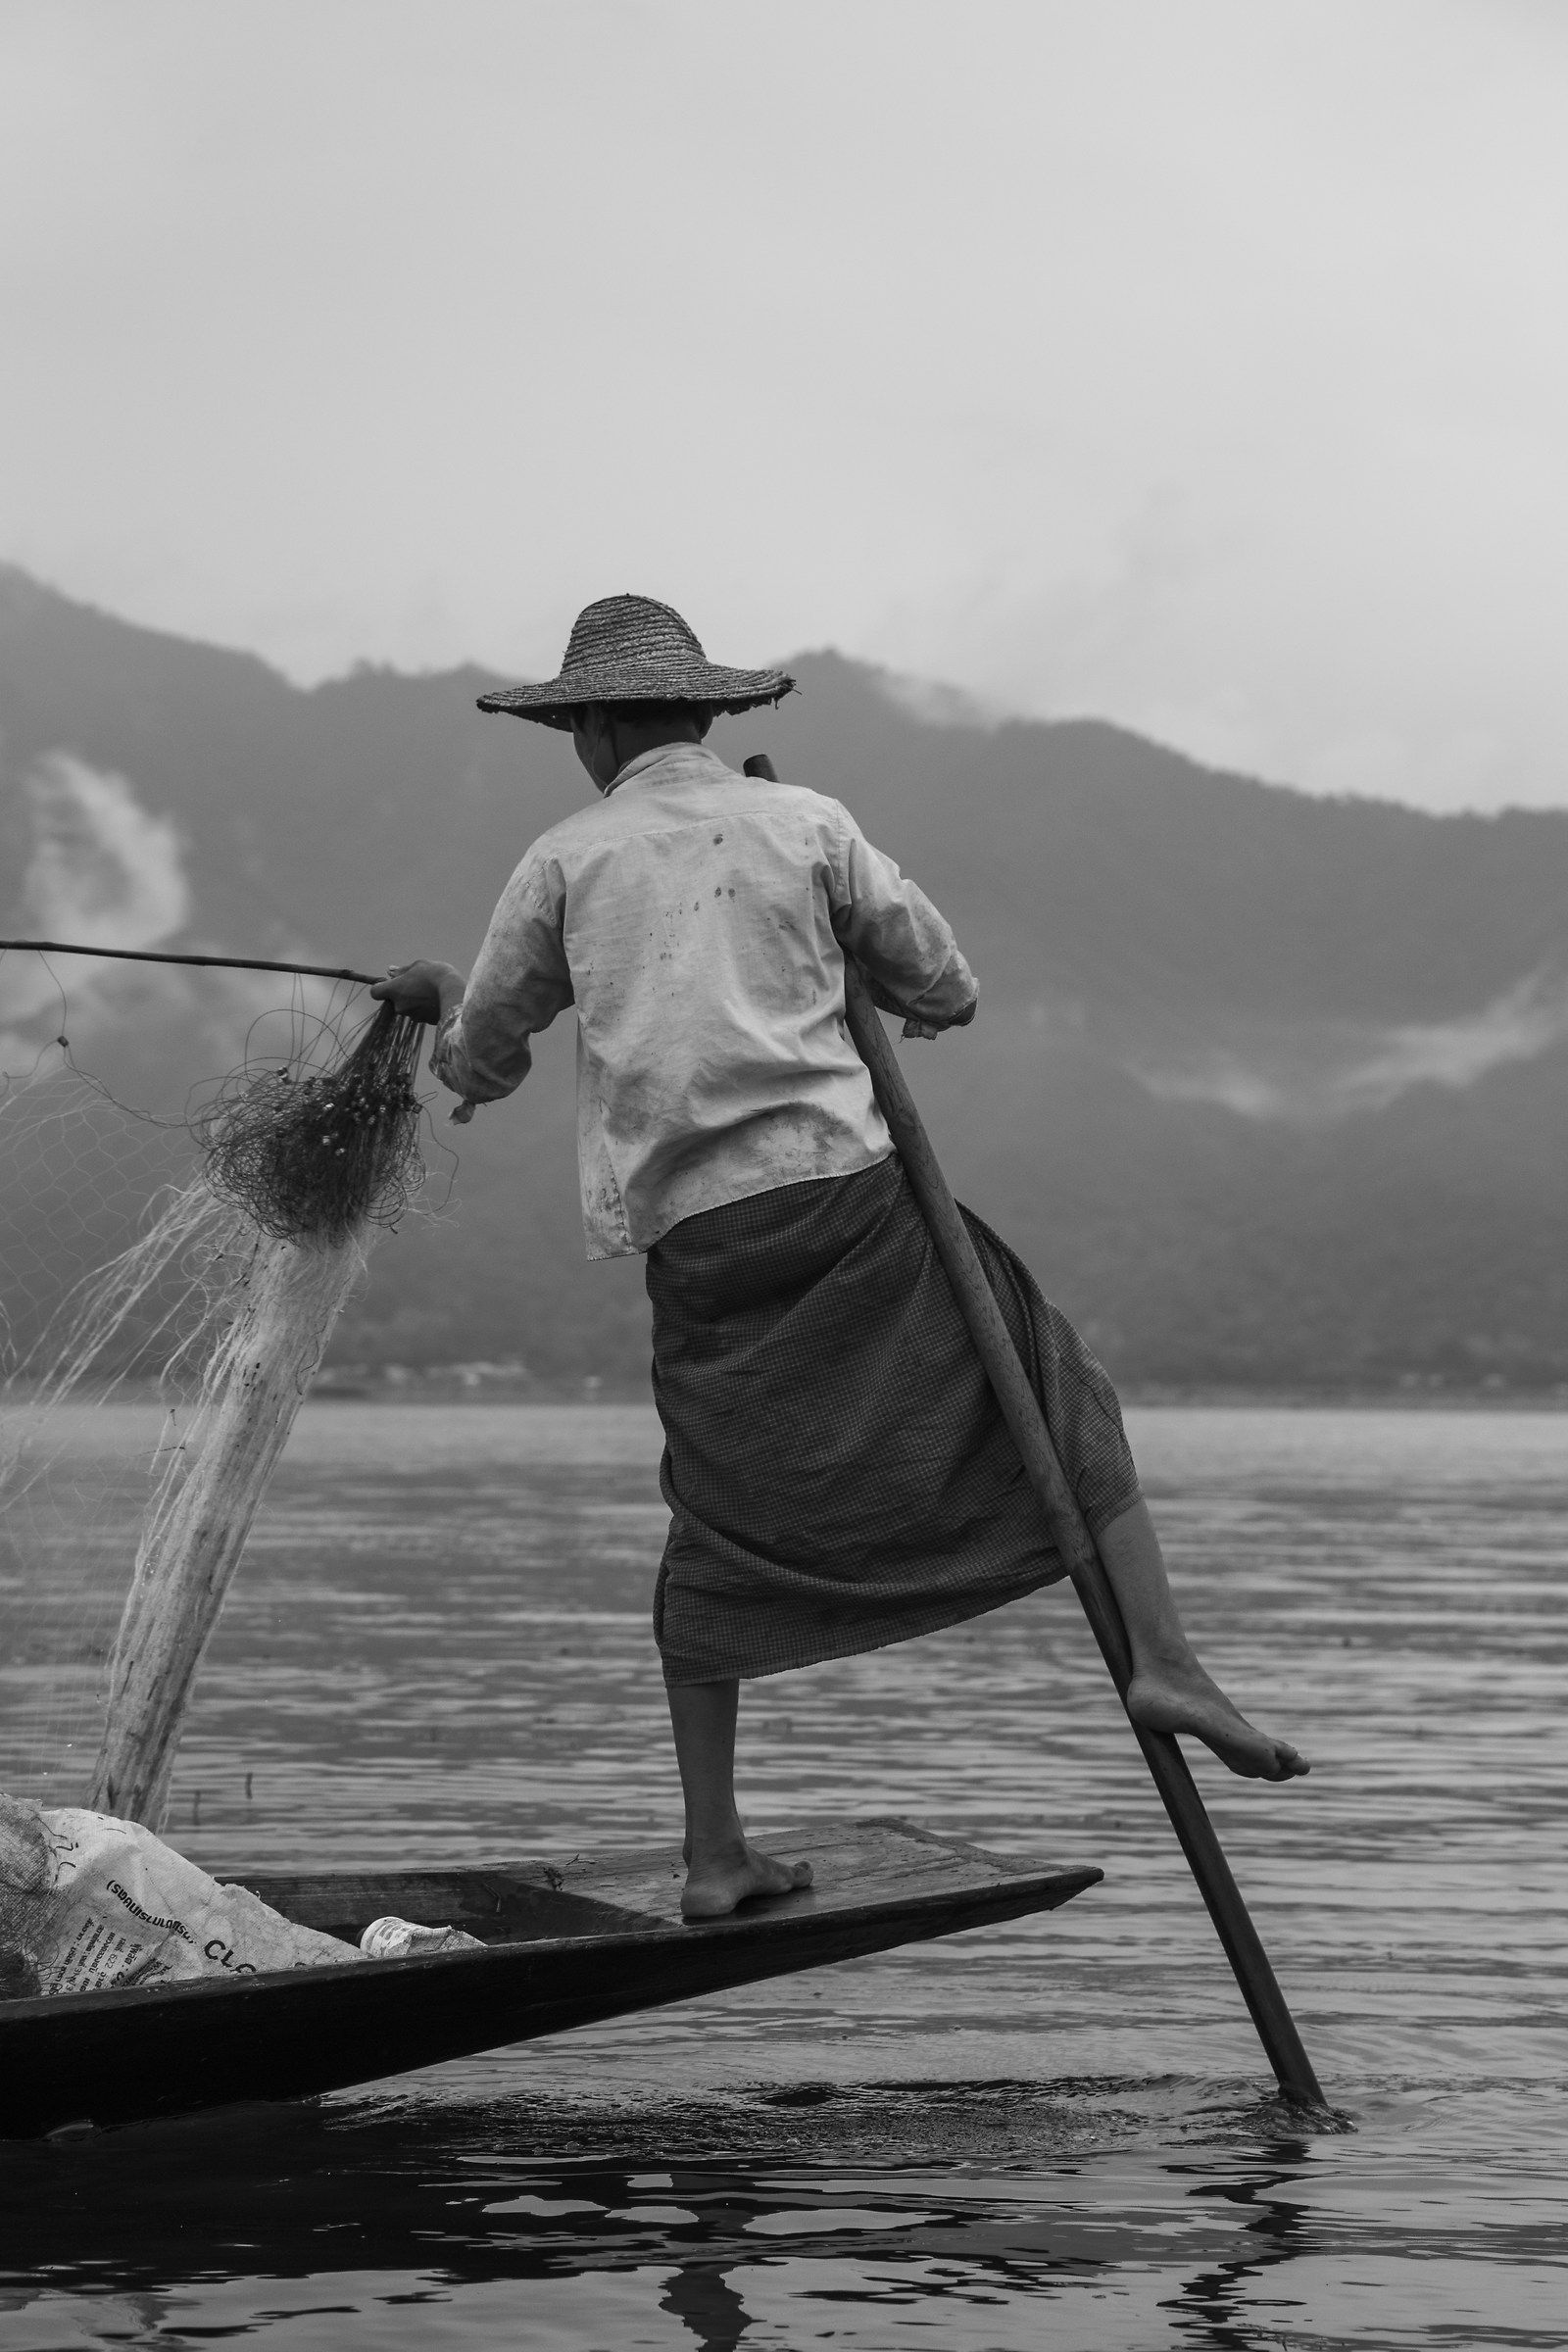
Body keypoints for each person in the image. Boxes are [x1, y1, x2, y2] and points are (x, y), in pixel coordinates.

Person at [374, 594, 1307, 1921]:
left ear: (591, 728)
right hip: (846, 1198)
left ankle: (715, 1853)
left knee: (715, 1517)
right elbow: (946, 986)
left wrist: (441, 1012)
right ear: (704, 715)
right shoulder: (804, 824)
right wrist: (880, 980)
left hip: (696, 1236)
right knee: (1053, 1387)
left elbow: (483, 1057)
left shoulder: (563, 861)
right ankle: (1168, 1660)